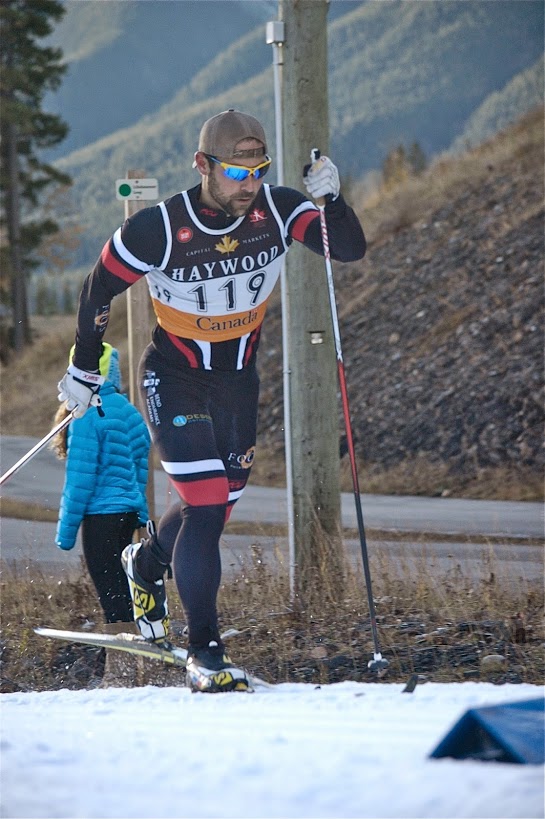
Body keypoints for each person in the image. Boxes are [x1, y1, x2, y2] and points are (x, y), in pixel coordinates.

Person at [57, 109, 366, 692]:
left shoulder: (279, 209)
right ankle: (205, 652)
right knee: (203, 502)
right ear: (203, 165)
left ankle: (146, 561)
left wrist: (332, 201)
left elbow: (347, 249)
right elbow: (98, 287)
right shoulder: (158, 226)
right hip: (173, 376)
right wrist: (83, 365)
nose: (249, 184)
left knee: (217, 505)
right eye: (236, 172)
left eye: (259, 169)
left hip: (237, 383)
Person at [53, 343, 150, 625]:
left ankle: (121, 649)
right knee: (125, 586)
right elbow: (140, 467)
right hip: (127, 515)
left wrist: (66, 533)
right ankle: (137, 640)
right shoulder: (129, 411)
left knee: (111, 593)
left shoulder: (85, 415)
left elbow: (79, 481)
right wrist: (141, 513)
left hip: (101, 517)